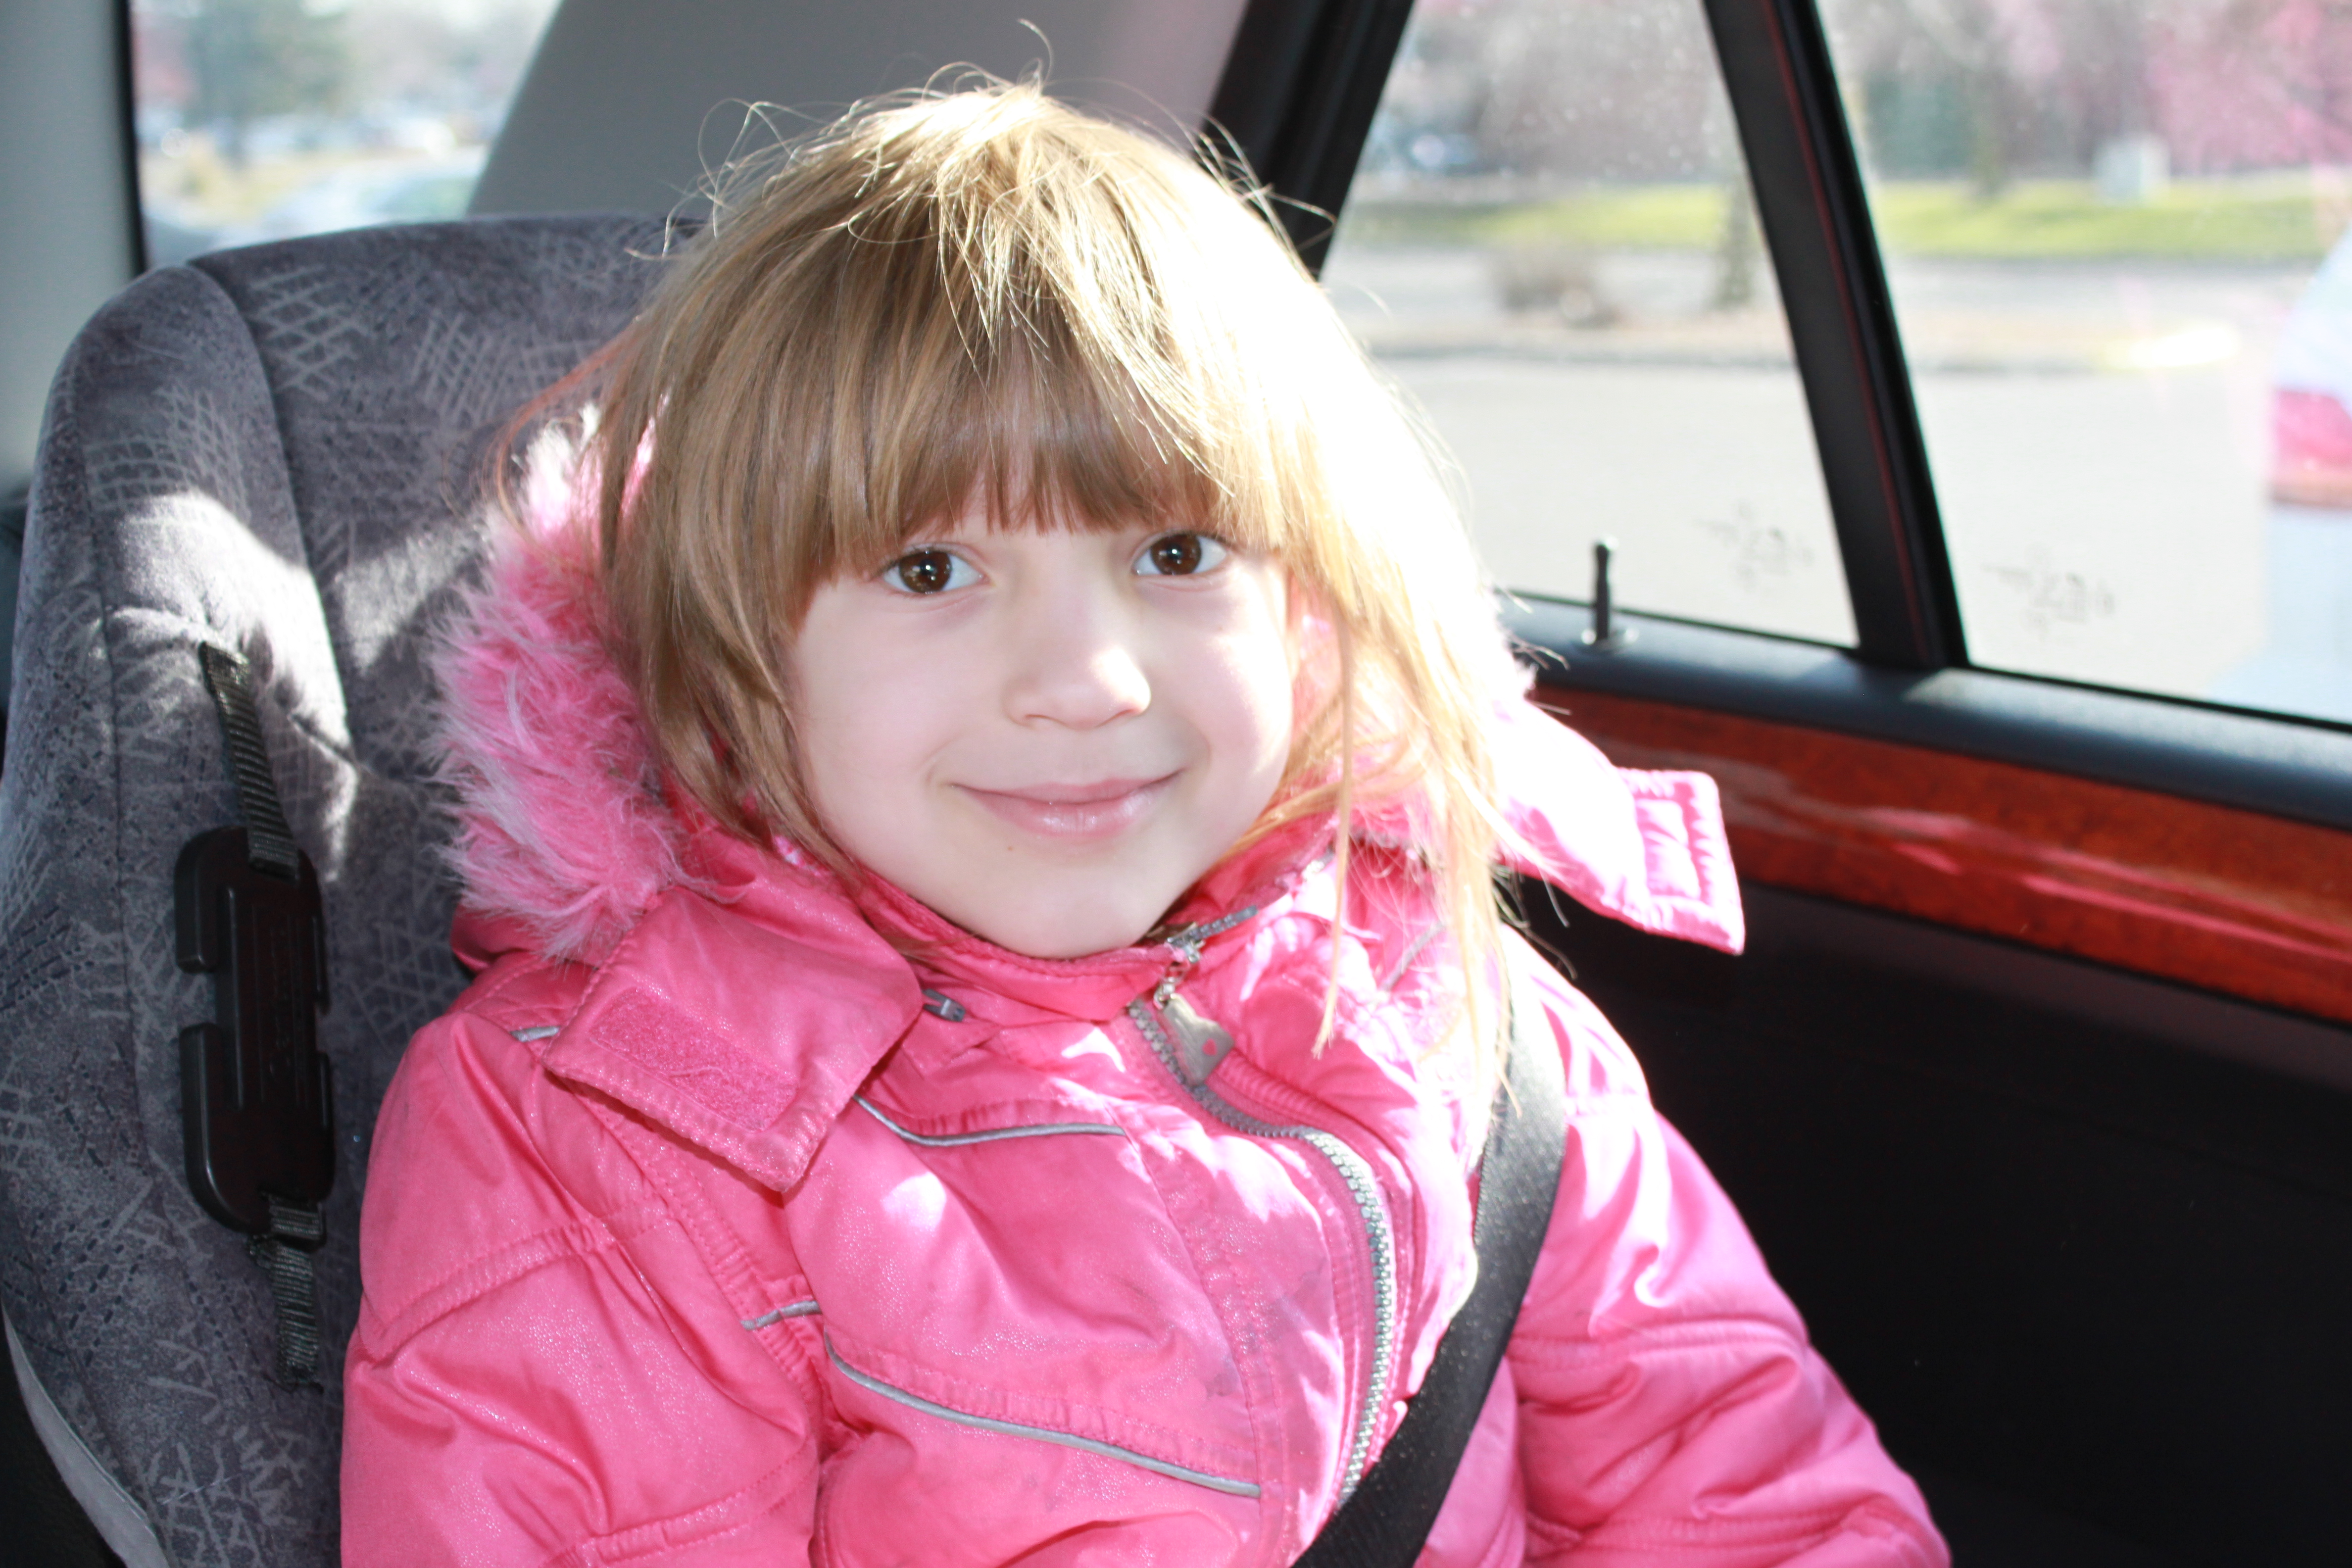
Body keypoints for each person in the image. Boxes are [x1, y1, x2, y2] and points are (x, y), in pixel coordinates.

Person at [341, 84, 1945, 1568]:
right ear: (731, 652)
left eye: (1177, 553)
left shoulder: (1461, 1021)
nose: (1087, 682)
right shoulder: (611, 1130)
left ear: (1306, 594)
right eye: (928, 570)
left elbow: (1759, 1505)